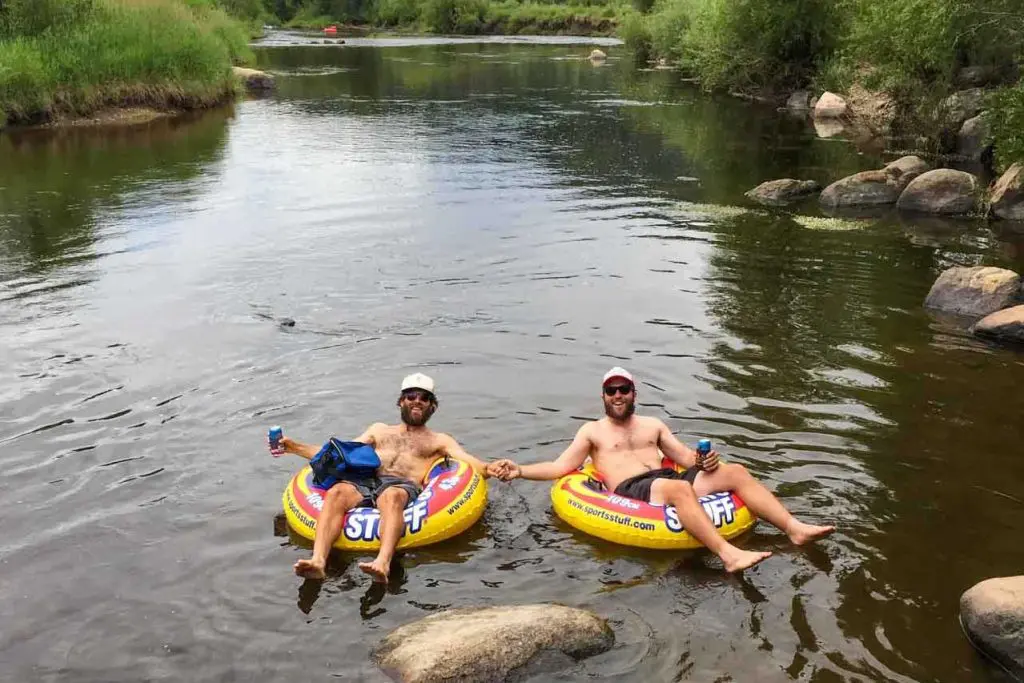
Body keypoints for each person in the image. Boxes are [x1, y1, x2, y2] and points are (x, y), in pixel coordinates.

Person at [489, 367, 834, 573]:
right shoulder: (592, 432)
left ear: (633, 392)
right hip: (633, 489)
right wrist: (519, 470)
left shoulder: (652, 425)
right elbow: (561, 467)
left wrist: (706, 463)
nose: (618, 395)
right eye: (611, 391)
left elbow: (685, 459)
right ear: (604, 396)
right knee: (679, 490)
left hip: (666, 478)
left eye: (624, 389)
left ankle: (793, 528)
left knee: (737, 472)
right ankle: (729, 555)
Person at [271, 372, 493, 584]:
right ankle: (318, 560)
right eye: (411, 396)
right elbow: (338, 456)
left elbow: (467, 460)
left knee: (391, 497)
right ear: (400, 401)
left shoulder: (438, 440)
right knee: (337, 492)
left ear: (432, 406)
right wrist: (294, 447)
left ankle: (382, 563)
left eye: (424, 398)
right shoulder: (379, 430)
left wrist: (490, 468)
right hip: (366, 480)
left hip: (402, 485)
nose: (417, 401)